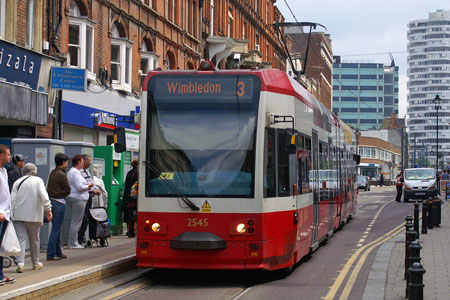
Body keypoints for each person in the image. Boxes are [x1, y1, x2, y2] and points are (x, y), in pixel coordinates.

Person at [10, 163, 52, 273]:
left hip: (18, 214)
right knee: (34, 240)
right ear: (35, 171)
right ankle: (36, 262)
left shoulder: (17, 182)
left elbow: (12, 199)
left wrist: (11, 213)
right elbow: (44, 195)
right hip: (34, 215)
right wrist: (48, 209)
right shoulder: (38, 181)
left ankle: (20, 263)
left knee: (21, 240)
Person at [46, 153, 71, 261]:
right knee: (56, 229)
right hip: (59, 202)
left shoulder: (53, 172)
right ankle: (51, 254)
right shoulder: (61, 174)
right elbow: (68, 189)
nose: (67, 164)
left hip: (52, 202)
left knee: (57, 229)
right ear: (63, 162)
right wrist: (63, 192)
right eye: (67, 162)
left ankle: (58, 252)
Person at [67, 154, 93, 249]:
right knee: (76, 222)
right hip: (78, 199)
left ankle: (73, 242)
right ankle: (73, 243)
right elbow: (79, 187)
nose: (83, 163)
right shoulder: (76, 172)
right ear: (78, 162)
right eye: (82, 161)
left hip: (76, 198)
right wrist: (88, 186)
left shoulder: (72, 172)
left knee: (76, 221)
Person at [77, 154, 100, 246]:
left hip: (89, 197)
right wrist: (93, 190)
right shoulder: (79, 172)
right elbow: (84, 185)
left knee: (87, 219)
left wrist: (95, 189)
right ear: (84, 161)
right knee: (83, 219)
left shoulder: (87, 172)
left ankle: (84, 238)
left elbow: (91, 183)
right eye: (89, 161)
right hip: (83, 198)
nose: (90, 163)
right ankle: (79, 239)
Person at [0, 145, 15, 285]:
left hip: (5, 214)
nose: (10, 157)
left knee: (1, 247)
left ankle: (0, 274)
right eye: (8, 154)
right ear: (1, 156)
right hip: (0, 214)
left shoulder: (4, 171)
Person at [123, 159, 138, 238]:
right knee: (137, 214)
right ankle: (136, 230)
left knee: (130, 215)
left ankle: (130, 231)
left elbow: (126, 185)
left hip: (130, 196)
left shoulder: (129, 173)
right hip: (137, 197)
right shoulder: (139, 172)